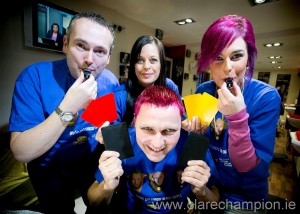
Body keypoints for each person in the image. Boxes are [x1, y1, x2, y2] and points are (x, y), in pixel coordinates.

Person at [8, 12, 119, 214]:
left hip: (89, 158)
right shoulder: (33, 78)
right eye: (81, 46)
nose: (89, 59)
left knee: (102, 207)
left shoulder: (109, 82)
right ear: (66, 44)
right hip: (49, 165)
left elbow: (106, 123)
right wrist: (69, 106)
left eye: (100, 51)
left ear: (109, 57)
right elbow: (21, 152)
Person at [183, 15, 281, 213]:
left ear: (248, 58)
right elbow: (198, 151)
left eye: (236, 56)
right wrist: (193, 134)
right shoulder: (204, 90)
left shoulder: (266, 97)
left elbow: (249, 168)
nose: (228, 68)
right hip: (210, 187)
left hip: (246, 197)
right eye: (218, 58)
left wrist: (237, 117)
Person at [87, 85, 220, 213]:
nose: (157, 144)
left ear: (181, 125)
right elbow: (93, 201)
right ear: (134, 121)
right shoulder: (122, 141)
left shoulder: (193, 143)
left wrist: (202, 191)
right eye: (147, 129)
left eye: (169, 131)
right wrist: (106, 187)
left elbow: (215, 201)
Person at [113, 35, 183, 127]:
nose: (146, 66)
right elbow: (113, 138)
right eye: (140, 60)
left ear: (161, 64)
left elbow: (180, 120)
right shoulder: (118, 96)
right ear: (133, 64)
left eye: (153, 60)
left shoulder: (170, 87)